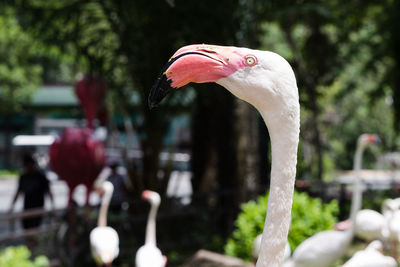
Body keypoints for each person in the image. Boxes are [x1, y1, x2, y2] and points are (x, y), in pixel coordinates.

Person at [9, 154, 54, 229]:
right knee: (27, 229)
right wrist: (12, 206)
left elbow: (48, 191)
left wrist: (53, 205)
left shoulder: (40, 176)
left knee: (35, 229)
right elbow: (18, 192)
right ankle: (30, 241)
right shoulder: (23, 177)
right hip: (27, 208)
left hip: (38, 208)